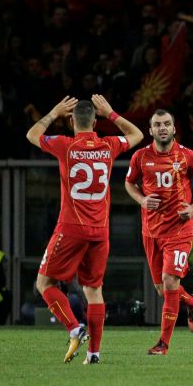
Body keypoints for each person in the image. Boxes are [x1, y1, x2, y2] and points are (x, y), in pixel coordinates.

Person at [25, 95, 143, 364]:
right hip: (100, 231)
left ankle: (74, 327)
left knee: (44, 283)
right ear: (95, 120)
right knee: (94, 289)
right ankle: (94, 353)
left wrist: (54, 111)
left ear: (71, 120)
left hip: (71, 227)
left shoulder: (64, 145)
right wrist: (111, 113)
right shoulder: (108, 145)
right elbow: (136, 134)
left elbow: (32, 134)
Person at [124, 109, 193, 355]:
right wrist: (141, 200)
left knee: (170, 281)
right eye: (157, 124)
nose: (162, 128)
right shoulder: (140, 157)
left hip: (179, 231)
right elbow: (129, 183)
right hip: (151, 231)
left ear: (174, 129)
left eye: (167, 124)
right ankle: (192, 302)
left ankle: (163, 344)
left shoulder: (188, 157)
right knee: (164, 290)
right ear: (150, 130)